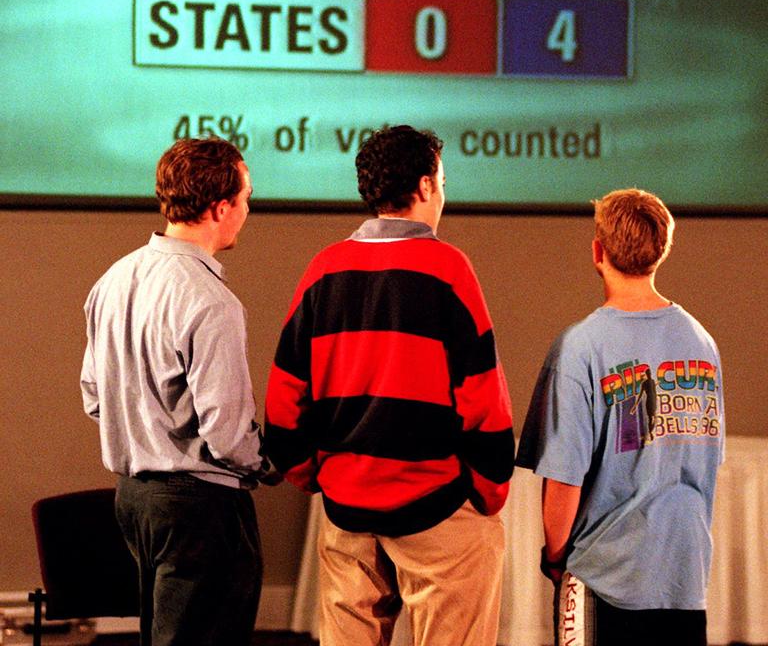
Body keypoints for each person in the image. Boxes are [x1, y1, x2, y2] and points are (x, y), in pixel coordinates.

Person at [265, 124, 515, 646]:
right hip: (439, 509)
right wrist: (488, 494)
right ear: (425, 186)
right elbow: (483, 399)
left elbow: (285, 400)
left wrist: (317, 476)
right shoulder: (449, 270)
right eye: (443, 180)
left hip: (346, 513)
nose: (443, 193)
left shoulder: (322, 270)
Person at [81, 137, 270, 646]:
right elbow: (228, 438)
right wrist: (272, 463)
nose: (249, 209)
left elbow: (94, 396)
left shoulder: (114, 280)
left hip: (134, 499)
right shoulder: (211, 300)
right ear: (220, 206)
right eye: (248, 196)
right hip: (199, 509)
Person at [517, 188, 725, 645]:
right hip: (684, 580)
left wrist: (556, 558)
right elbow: (706, 460)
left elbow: (564, 479)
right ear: (663, 249)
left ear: (598, 251)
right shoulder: (701, 344)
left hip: (602, 580)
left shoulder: (580, 348)